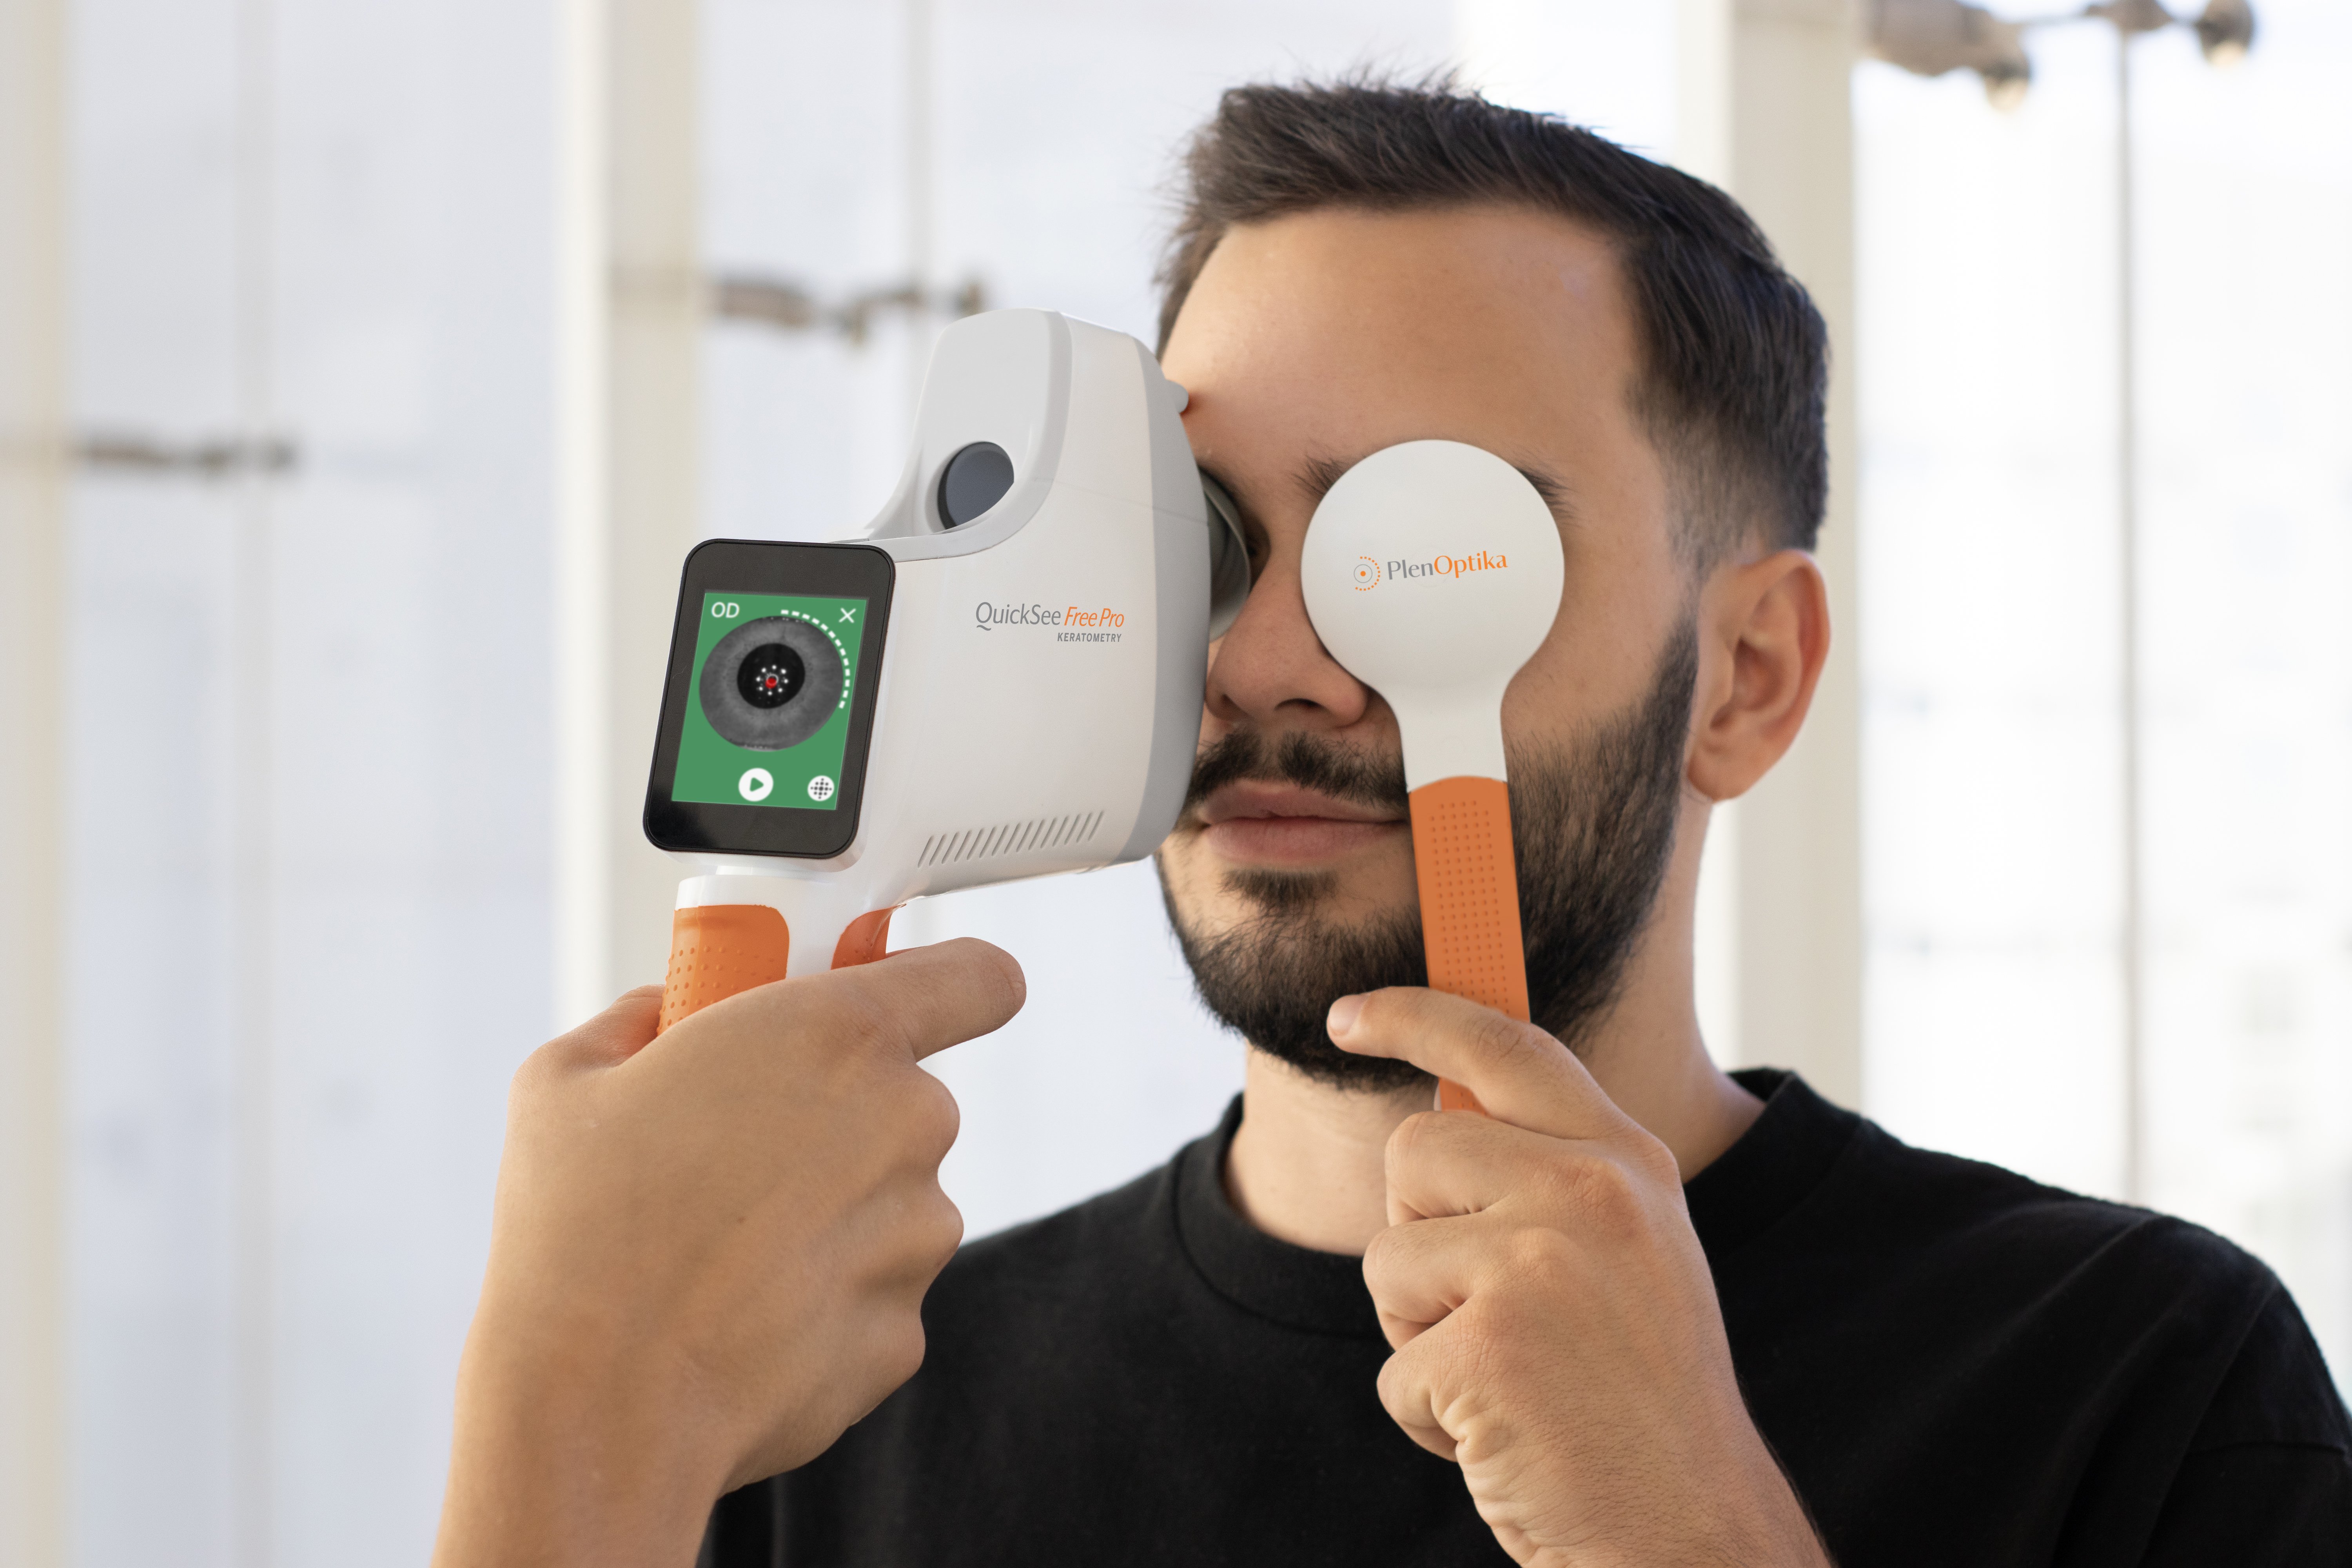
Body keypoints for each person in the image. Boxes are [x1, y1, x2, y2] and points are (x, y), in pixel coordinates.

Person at [433, 79, 2352, 1568]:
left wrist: (1680, 1521)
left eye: (1431, 540)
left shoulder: (2140, 1386)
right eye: (1208, 545)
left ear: (1751, 675)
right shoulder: (819, 1405)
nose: (1272, 662)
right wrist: (575, 1412)